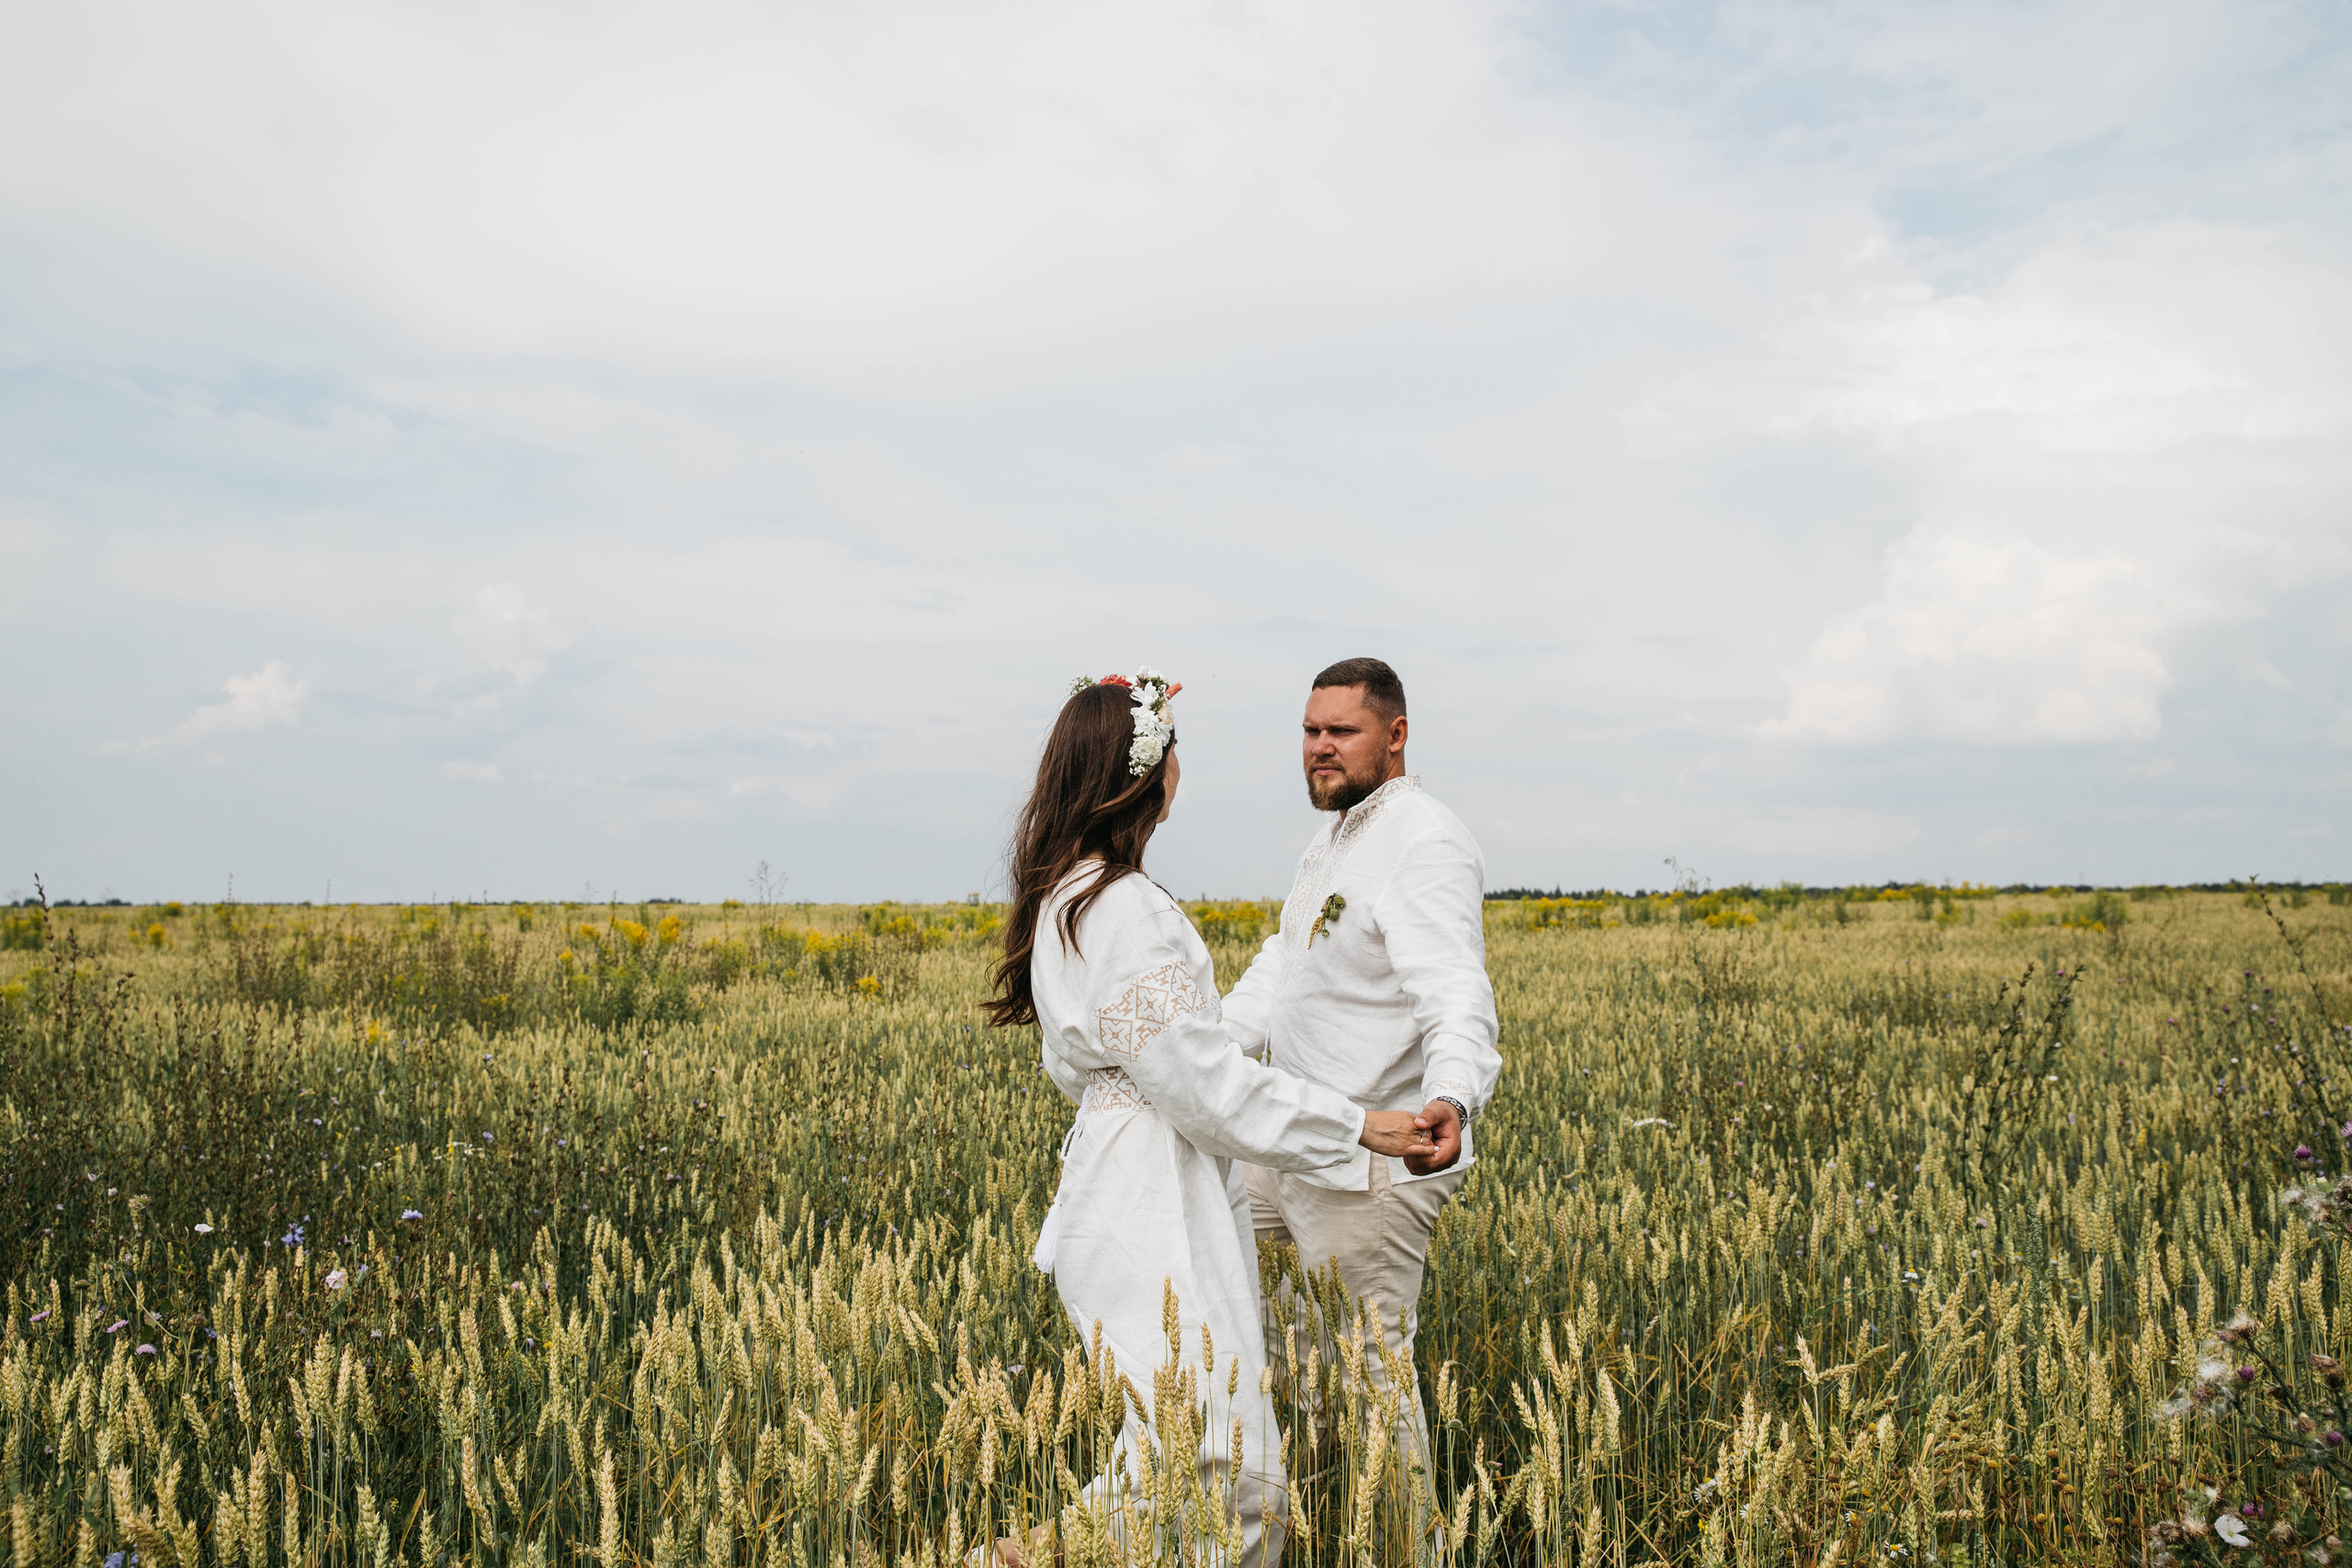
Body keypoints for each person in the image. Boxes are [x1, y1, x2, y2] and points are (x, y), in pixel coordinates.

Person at [985, 667, 1431, 1567]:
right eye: (1174, 744)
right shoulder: (1122, 907)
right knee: (1223, 1472)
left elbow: (1182, 1055)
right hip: (1152, 1199)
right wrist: (1360, 1125)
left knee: (1189, 1467)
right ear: (1145, 771)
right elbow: (1205, 1086)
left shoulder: (1069, 897)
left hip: (1123, 1182)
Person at [1222, 657, 1500, 1506]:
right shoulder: (1334, 837)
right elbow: (1284, 967)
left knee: (1370, 1374)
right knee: (1274, 1345)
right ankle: (1297, 1515)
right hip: (1289, 1139)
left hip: (1373, 1162)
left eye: (1342, 730)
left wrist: (1451, 1096)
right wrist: (1198, 1060)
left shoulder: (1423, 841)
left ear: (1397, 735)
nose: (1320, 748)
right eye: (1310, 731)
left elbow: (1456, 993)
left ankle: (1402, 1542)